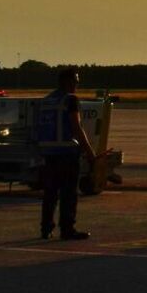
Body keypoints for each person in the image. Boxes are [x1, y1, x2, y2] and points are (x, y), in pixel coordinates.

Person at [36, 67, 98, 241]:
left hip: (49, 153)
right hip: (66, 153)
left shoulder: (47, 100)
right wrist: (89, 151)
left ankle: (45, 228)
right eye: (76, 81)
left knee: (50, 194)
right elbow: (76, 127)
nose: (77, 85)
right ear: (68, 81)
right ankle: (67, 228)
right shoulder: (70, 100)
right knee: (68, 193)